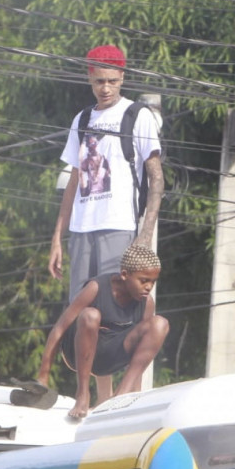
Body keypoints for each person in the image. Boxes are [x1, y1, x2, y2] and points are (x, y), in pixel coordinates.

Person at [50, 45, 164, 301]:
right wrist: (58, 236)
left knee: (113, 307)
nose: (106, 88)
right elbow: (73, 181)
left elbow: (156, 177)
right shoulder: (82, 120)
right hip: (81, 229)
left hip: (119, 225)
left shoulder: (137, 115)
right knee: (79, 310)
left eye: (112, 81)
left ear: (122, 78)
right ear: (89, 78)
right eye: (99, 81)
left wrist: (145, 235)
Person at [37, 243, 169, 420]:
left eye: (153, 282)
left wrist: (135, 396)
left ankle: (121, 395)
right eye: (143, 280)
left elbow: (141, 350)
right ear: (124, 275)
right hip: (80, 352)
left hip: (111, 356)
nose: (148, 287)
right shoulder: (97, 287)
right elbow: (60, 327)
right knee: (90, 315)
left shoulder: (147, 302)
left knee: (160, 324)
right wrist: (43, 377)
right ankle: (83, 394)